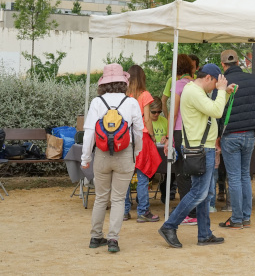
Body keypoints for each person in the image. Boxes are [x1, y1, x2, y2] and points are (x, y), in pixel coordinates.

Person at [158, 63, 234, 248]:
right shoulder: (194, 92)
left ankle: (204, 234)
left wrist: (226, 93)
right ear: (208, 78)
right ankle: (169, 226)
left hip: (200, 147)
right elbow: (216, 112)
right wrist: (222, 91)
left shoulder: (195, 91)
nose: (216, 87)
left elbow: (212, 109)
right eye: (215, 83)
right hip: (199, 149)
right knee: (199, 193)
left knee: (204, 194)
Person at [82, 64, 143, 253]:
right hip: (125, 154)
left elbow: (89, 132)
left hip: (101, 154)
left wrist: (85, 157)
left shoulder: (97, 102)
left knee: (101, 197)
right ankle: (113, 240)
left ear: (103, 83)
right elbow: (139, 131)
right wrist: (137, 150)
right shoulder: (131, 102)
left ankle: (95, 236)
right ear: (124, 82)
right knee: (117, 199)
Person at [216, 49, 255, 229]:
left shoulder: (223, 83)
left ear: (223, 64)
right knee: (244, 175)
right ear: (238, 62)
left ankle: (236, 219)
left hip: (230, 135)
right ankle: (245, 217)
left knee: (234, 177)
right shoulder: (253, 79)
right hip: (250, 135)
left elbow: (217, 109)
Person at [124, 65, 160, 223]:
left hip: (125, 137)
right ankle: (143, 211)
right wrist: (152, 135)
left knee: (125, 176)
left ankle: (124, 211)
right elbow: (147, 119)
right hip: (142, 136)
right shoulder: (144, 95)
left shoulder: (123, 94)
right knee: (143, 175)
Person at [167, 54, 199, 225]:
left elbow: (173, 113)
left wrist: (168, 137)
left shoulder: (178, 85)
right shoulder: (196, 85)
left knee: (181, 174)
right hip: (196, 133)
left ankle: (189, 212)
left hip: (180, 131)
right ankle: (195, 210)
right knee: (195, 172)